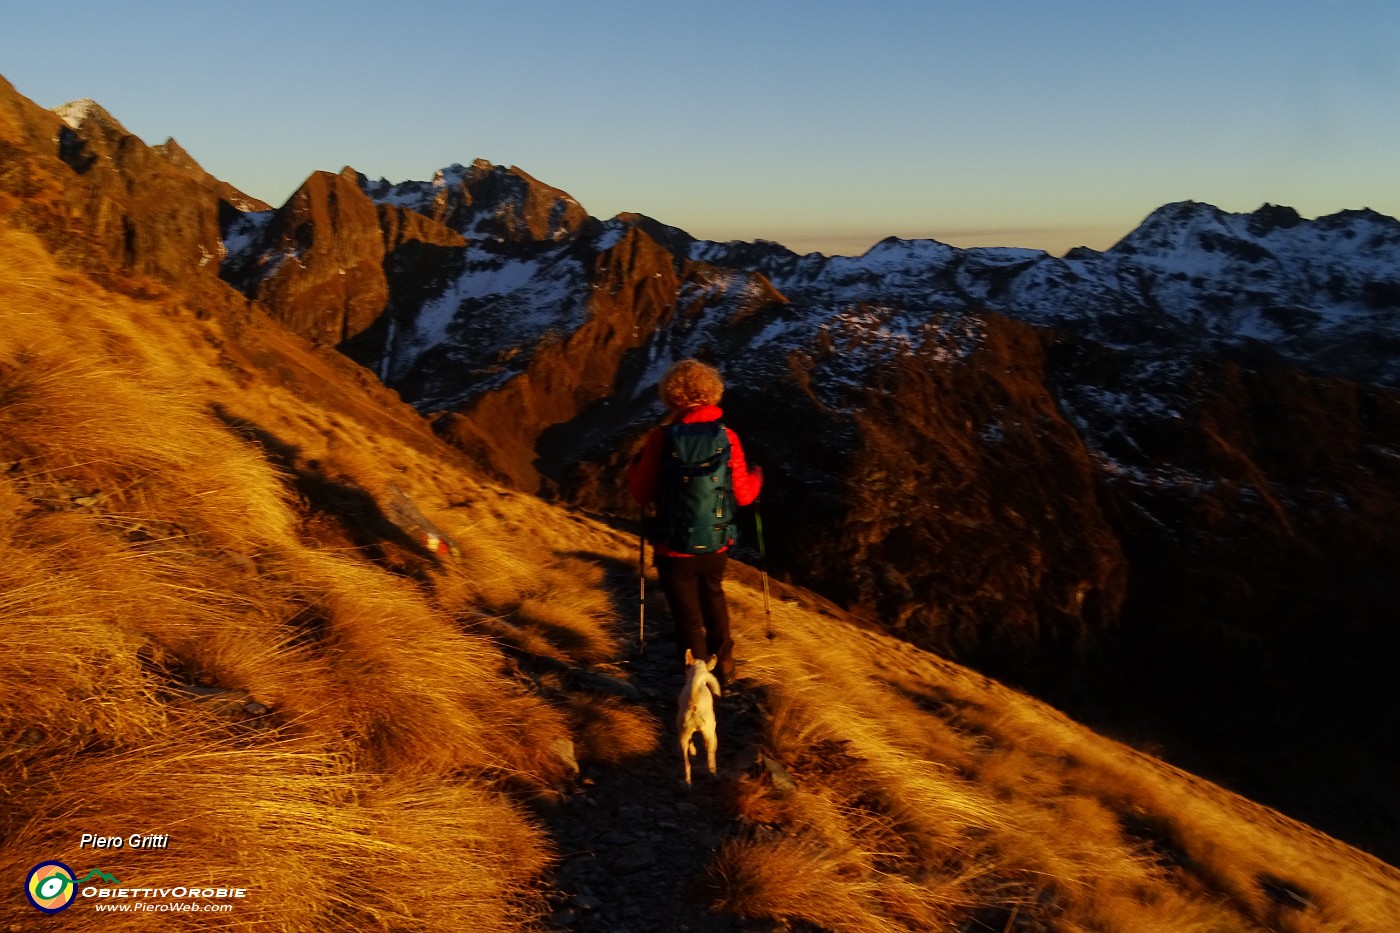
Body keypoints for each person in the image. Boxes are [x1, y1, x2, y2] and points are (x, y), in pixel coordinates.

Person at [628, 359, 762, 687]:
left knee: (687, 616)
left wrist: (634, 467)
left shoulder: (661, 438)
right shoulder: (727, 437)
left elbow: (641, 494)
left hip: (674, 546)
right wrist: (758, 476)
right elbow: (744, 496)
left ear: (670, 396)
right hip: (717, 542)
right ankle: (726, 663)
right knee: (713, 595)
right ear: (712, 392)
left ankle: (696, 678)